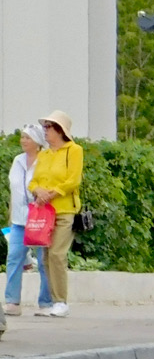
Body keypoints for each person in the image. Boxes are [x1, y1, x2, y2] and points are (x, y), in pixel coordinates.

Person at [28, 110, 83, 318]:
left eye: (49, 127)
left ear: (60, 130)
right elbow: (34, 181)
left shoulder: (74, 150)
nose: (45, 131)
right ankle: (53, 300)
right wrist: (37, 191)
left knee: (58, 254)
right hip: (44, 213)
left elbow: (73, 180)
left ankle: (61, 301)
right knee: (45, 258)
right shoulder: (44, 154)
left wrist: (52, 193)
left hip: (65, 210)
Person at [5, 123, 52, 316]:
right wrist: (10, 216)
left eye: (28, 137)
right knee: (14, 258)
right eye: (23, 137)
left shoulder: (46, 161)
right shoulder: (17, 161)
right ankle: (12, 302)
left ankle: (46, 302)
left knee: (44, 261)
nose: (23, 140)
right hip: (18, 220)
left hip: (40, 218)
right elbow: (13, 191)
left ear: (38, 142)